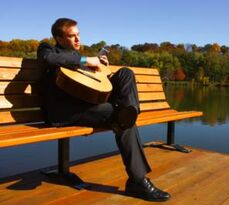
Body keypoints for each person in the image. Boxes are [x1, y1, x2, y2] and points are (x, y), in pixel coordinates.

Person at [37, 18, 170, 202]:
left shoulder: (80, 61)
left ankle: (129, 111)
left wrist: (101, 69)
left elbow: (94, 87)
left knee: (125, 74)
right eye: (72, 36)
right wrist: (86, 59)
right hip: (65, 113)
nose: (77, 39)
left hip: (91, 105)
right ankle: (138, 181)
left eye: (79, 34)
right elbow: (48, 59)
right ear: (59, 39)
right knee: (122, 119)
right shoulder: (48, 49)